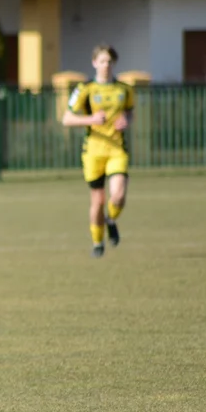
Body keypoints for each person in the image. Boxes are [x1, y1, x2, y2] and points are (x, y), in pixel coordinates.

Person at [61, 44, 135, 258]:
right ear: (94, 63)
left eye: (109, 62)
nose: (106, 65)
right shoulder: (85, 89)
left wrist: (126, 120)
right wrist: (91, 119)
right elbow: (67, 118)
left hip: (116, 149)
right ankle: (97, 243)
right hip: (93, 151)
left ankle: (110, 220)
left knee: (119, 196)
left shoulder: (124, 89)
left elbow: (130, 112)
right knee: (98, 201)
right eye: (102, 61)